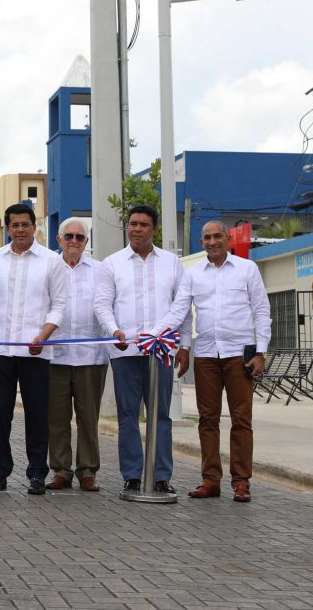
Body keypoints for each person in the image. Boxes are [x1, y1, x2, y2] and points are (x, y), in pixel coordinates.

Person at [151, 221, 271, 503]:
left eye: (218, 236)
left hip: (240, 354)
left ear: (228, 239)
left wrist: (261, 352)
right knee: (208, 419)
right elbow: (179, 312)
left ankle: (241, 482)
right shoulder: (192, 275)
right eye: (207, 237)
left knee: (242, 419)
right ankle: (210, 480)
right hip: (206, 353)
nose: (212, 241)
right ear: (201, 241)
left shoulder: (247, 269)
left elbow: (262, 311)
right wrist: (153, 335)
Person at [94, 204, 190, 495]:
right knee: (128, 416)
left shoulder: (172, 263)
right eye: (133, 224)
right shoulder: (112, 263)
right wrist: (114, 331)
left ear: (154, 229)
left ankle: (161, 476)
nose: (136, 229)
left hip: (160, 352)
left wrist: (182, 344)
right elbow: (102, 304)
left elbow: (182, 307)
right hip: (125, 353)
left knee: (161, 415)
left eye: (143, 224)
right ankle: (133, 476)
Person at [0, 203, 67, 495]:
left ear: (35, 227)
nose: (19, 230)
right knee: (0, 414)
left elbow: (59, 305)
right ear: (8, 229)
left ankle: (37, 474)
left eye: (25, 224)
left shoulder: (51, 261)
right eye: (14, 225)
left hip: (36, 350)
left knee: (37, 413)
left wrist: (44, 335)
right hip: (2, 348)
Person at [46, 218, 108, 492]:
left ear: (86, 242)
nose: (74, 241)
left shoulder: (100, 270)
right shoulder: (48, 267)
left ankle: (87, 471)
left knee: (88, 418)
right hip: (55, 355)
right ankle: (60, 470)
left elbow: (108, 306)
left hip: (90, 356)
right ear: (58, 239)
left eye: (79, 237)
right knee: (56, 418)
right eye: (68, 236)